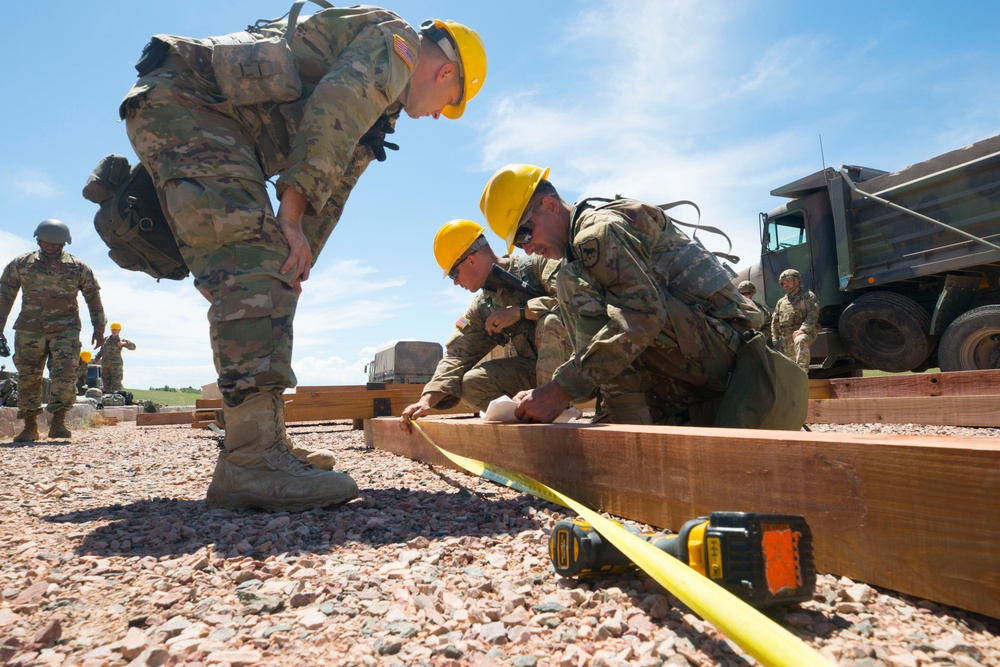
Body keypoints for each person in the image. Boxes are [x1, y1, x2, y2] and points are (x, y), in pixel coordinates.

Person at [120, 6, 486, 512]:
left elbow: (335, 183)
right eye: (449, 103)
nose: (438, 116)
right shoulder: (396, 43)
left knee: (271, 270)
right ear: (446, 73)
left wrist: (297, 258)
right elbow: (331, 114)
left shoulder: (383, 107)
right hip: (191, 105)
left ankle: (261, 440)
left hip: (202, 115)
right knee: (254, 267)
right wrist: (287, 224)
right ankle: (251, 460)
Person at [479, 164, 766, 426]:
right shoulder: (577, 250)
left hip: (728, 359)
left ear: (550, 205)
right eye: (518, 244)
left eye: (525, 235)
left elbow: (641, 316)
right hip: (705, 347)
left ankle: (627, 418)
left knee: (573, 283)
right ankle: (632, 413)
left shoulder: (595, 234)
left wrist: (560, 390)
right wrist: (550, 388)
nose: (526, 249)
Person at [400, 220, 571, 433]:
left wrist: (520, 311)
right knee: (472, 383)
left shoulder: (539, 265)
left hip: (581, 369)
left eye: (454, 273)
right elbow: (458, 354)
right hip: (535, 371)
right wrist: (427, 400)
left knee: (550, 320)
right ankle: (528, 421)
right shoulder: (484, 306)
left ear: (471, 260)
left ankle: (549, 415)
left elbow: (575, 302)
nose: (454, 282)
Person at [0, 220, 106, 442]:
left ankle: (58, 422)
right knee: (28, 377)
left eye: (54, 244)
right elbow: (4, 295)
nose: (49, 247)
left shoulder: (78, 267)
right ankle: (30, 427)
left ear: (63, 244)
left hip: (65, 329)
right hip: (30, 329)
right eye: (46, 243)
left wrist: (99, 327)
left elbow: (93, 297)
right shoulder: (21, 263)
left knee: (65, 374)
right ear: (38, 240)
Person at [771, 269, 820, 372]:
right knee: (789, 368)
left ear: (797, 281)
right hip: (787, 338)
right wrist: (775, 340)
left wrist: (803, 330)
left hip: (806, 333)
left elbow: (813, 314)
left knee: (800, 340)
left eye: (788, 281)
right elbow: (775, 322)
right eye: (783, 283)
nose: (786, 285)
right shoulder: (781, 302)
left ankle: (802, 373)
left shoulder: (807, 296)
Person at [95, 322, 136, 394]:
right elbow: (102, 351)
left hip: (116, 365)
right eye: (112, 329)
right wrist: (96, 359)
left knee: (116, 383)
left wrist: (124, 343)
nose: (114, 331)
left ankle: (118, 399)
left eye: (116, 329)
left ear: (119, 330)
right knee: (106, 383)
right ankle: (108, 400)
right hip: (106, 365)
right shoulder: (106, 339)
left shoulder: (121, 340)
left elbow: (133, 347)